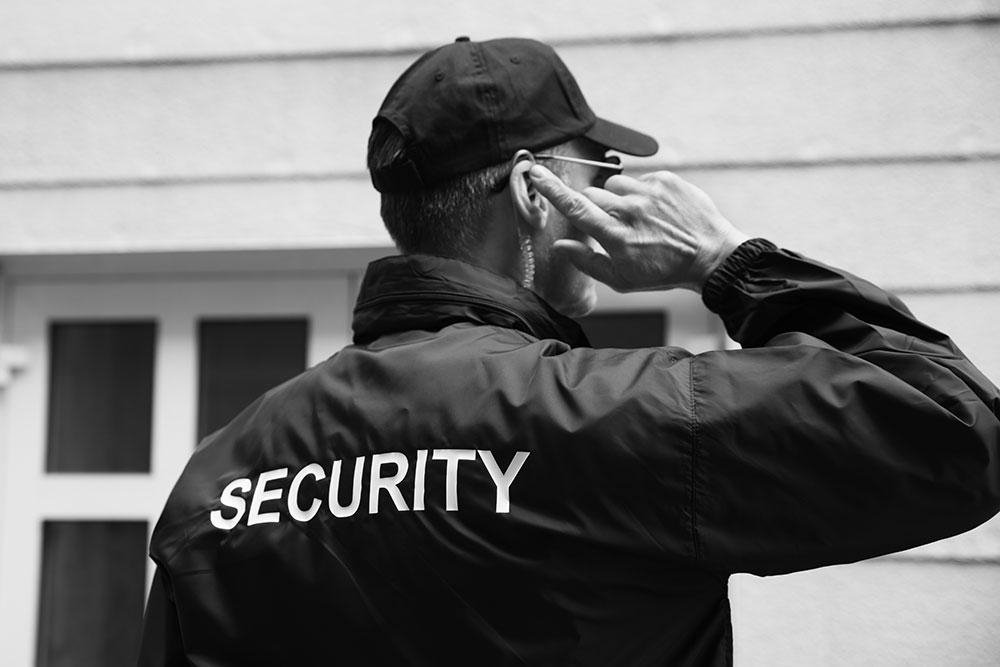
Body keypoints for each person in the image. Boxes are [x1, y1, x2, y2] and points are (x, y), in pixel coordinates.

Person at [138, 37, 1000, 666]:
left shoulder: (219, 475)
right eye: (603, 170)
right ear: (534, 192)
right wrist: (726, 263)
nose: (620, 191)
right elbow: (958, 427)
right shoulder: (618, 415)